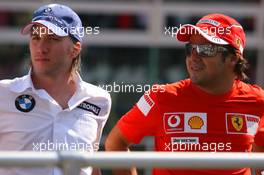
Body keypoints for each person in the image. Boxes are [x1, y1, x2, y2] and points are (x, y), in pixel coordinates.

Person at [105, 13, 264, 175]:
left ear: (232, 58)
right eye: (190, 49)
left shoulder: (259, 101)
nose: (193, 57)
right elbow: (115, 143)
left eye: (205, 49)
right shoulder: (161, 97)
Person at [0, 3, 111, 175]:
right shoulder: (3, 93)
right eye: (36, 37)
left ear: (75, 49)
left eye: (53, 39)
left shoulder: (99, 100)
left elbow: (91, 163)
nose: (41, 48)